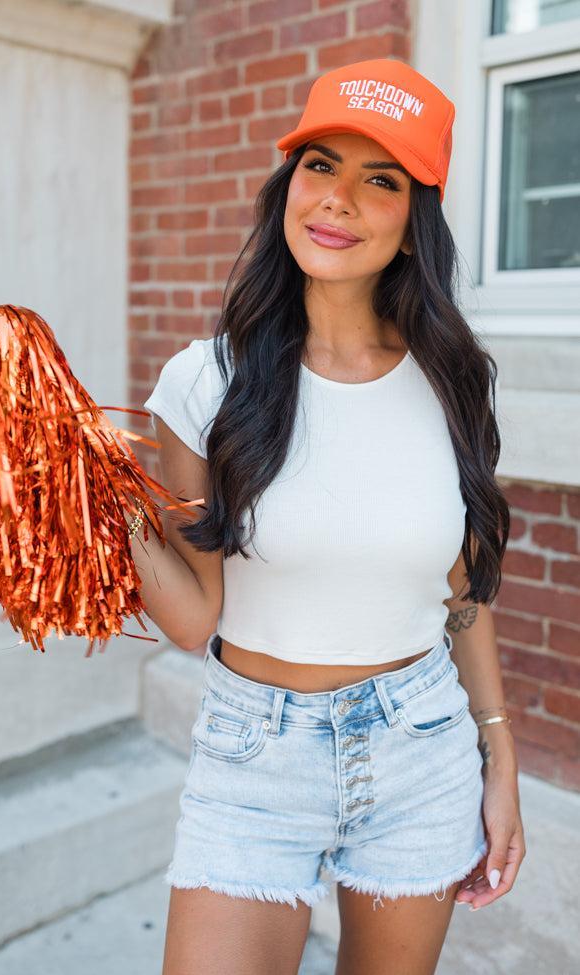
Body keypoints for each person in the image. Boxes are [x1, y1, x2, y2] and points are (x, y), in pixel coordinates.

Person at [129, 57, 525, 975]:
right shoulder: (204, 383)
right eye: (320, 166)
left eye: (379, 179)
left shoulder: (453, 382)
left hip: (420, 746)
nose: (338, 199)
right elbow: (193, 616)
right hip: (253, 755)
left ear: (415, 224)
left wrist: (496, 753)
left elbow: (461, 589)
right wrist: (93, 491)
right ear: (286, 189)